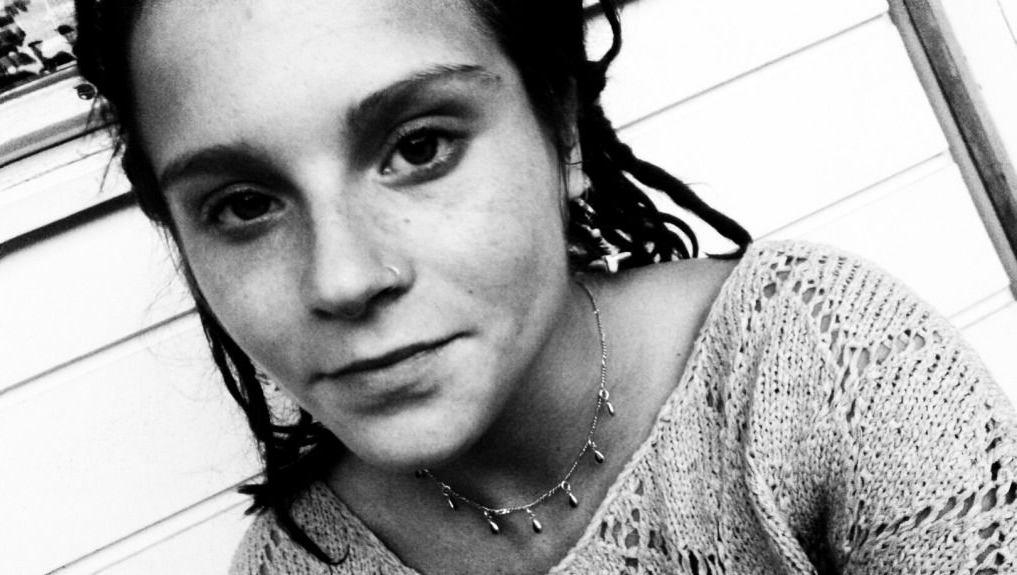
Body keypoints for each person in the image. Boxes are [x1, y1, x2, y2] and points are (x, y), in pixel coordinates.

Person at [73, 0, 1017, 573]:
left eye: (419, 148)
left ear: (560, 130)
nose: (345, 276)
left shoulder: (825, 366)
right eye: (243, 205)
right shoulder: (297, 565)